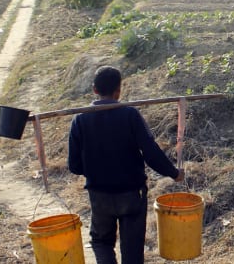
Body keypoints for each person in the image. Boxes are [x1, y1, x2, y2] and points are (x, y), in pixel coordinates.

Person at [68, 66, 184, 264]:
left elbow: (75, 166)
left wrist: (96, 171)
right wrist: (174, 173)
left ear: (94, 89)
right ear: (118, 91)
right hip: (132, 194)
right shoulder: (130, 115)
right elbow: (151, 152)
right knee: (132, 249)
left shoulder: (80, 119)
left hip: (99, 194)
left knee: (101, 242)